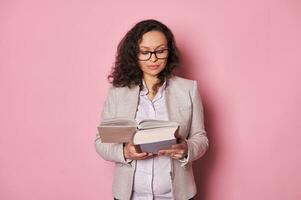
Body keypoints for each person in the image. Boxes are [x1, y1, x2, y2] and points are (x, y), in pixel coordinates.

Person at [95, 19, 209, 200]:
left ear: (169, 51)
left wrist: (186, 148)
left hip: (177, 195)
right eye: (145, 52)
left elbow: (201, 138)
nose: (153, 58)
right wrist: (125, 152)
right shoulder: (117, 93)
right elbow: (101, 142)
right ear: (134, 54)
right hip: (130, 196)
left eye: (160, 51)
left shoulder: (189, 89)